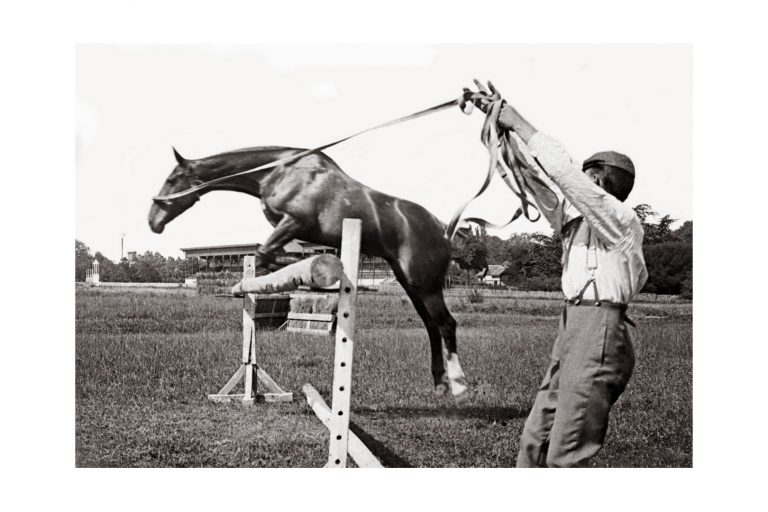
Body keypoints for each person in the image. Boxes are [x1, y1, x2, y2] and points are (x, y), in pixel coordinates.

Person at [481, 96, 648, 467]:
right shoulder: (578, 222)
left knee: (565, 452)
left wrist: (520, 121)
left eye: (586, 178)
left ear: (599, 181)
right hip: (572, 324)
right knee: (534, 440)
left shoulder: (620, 219)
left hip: (601, 329)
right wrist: (498, 130)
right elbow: (533, 180)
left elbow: (563, 174)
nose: (575, 186)